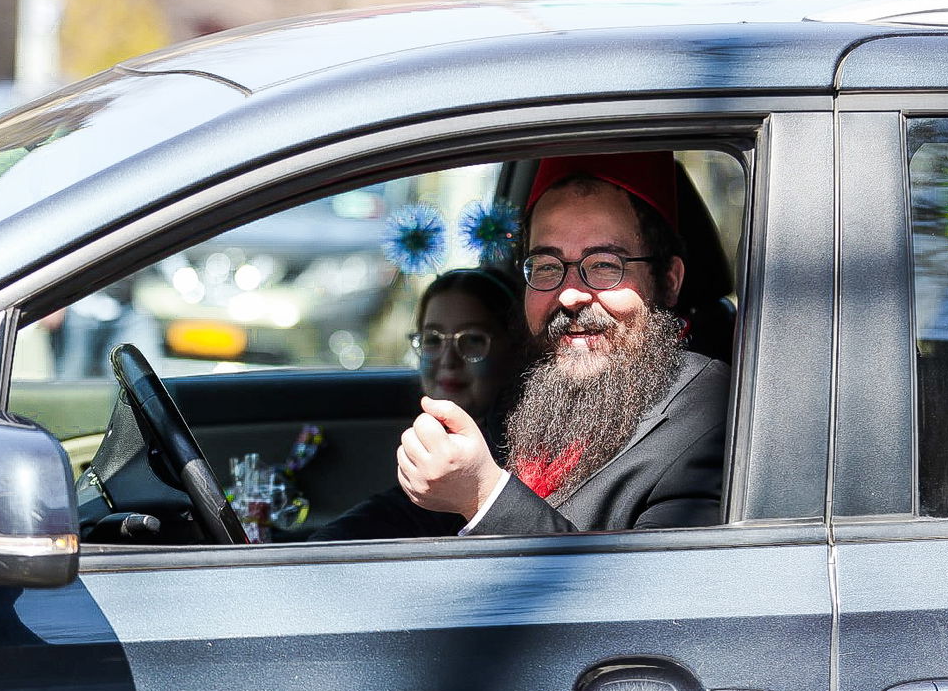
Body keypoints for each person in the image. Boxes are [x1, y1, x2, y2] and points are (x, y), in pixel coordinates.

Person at [396, 151, 729, 535]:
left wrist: (483, 496)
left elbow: (654, 575)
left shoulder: (710, 415)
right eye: (547, 266)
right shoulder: (529, 390)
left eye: (604, 265)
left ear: (668, 281)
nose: (570, 295)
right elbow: (420, 515)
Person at [309, 268, 524, 540]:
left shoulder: (516, 454)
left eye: (472, 340)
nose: (448, 359)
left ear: (515, 349)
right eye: (433, 339)